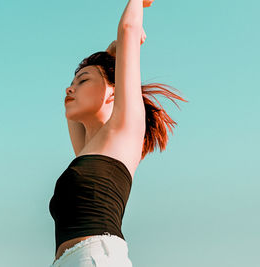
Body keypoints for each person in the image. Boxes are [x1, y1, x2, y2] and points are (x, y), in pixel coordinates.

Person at [49, 0, 188, 266]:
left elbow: (128, 30)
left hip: (96, 257)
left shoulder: (124, 129)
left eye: (83, 80)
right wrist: (107, 55)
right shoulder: (88, 149)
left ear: (114, 92)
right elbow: (68, 111)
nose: (70, 89)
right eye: (71, 82)